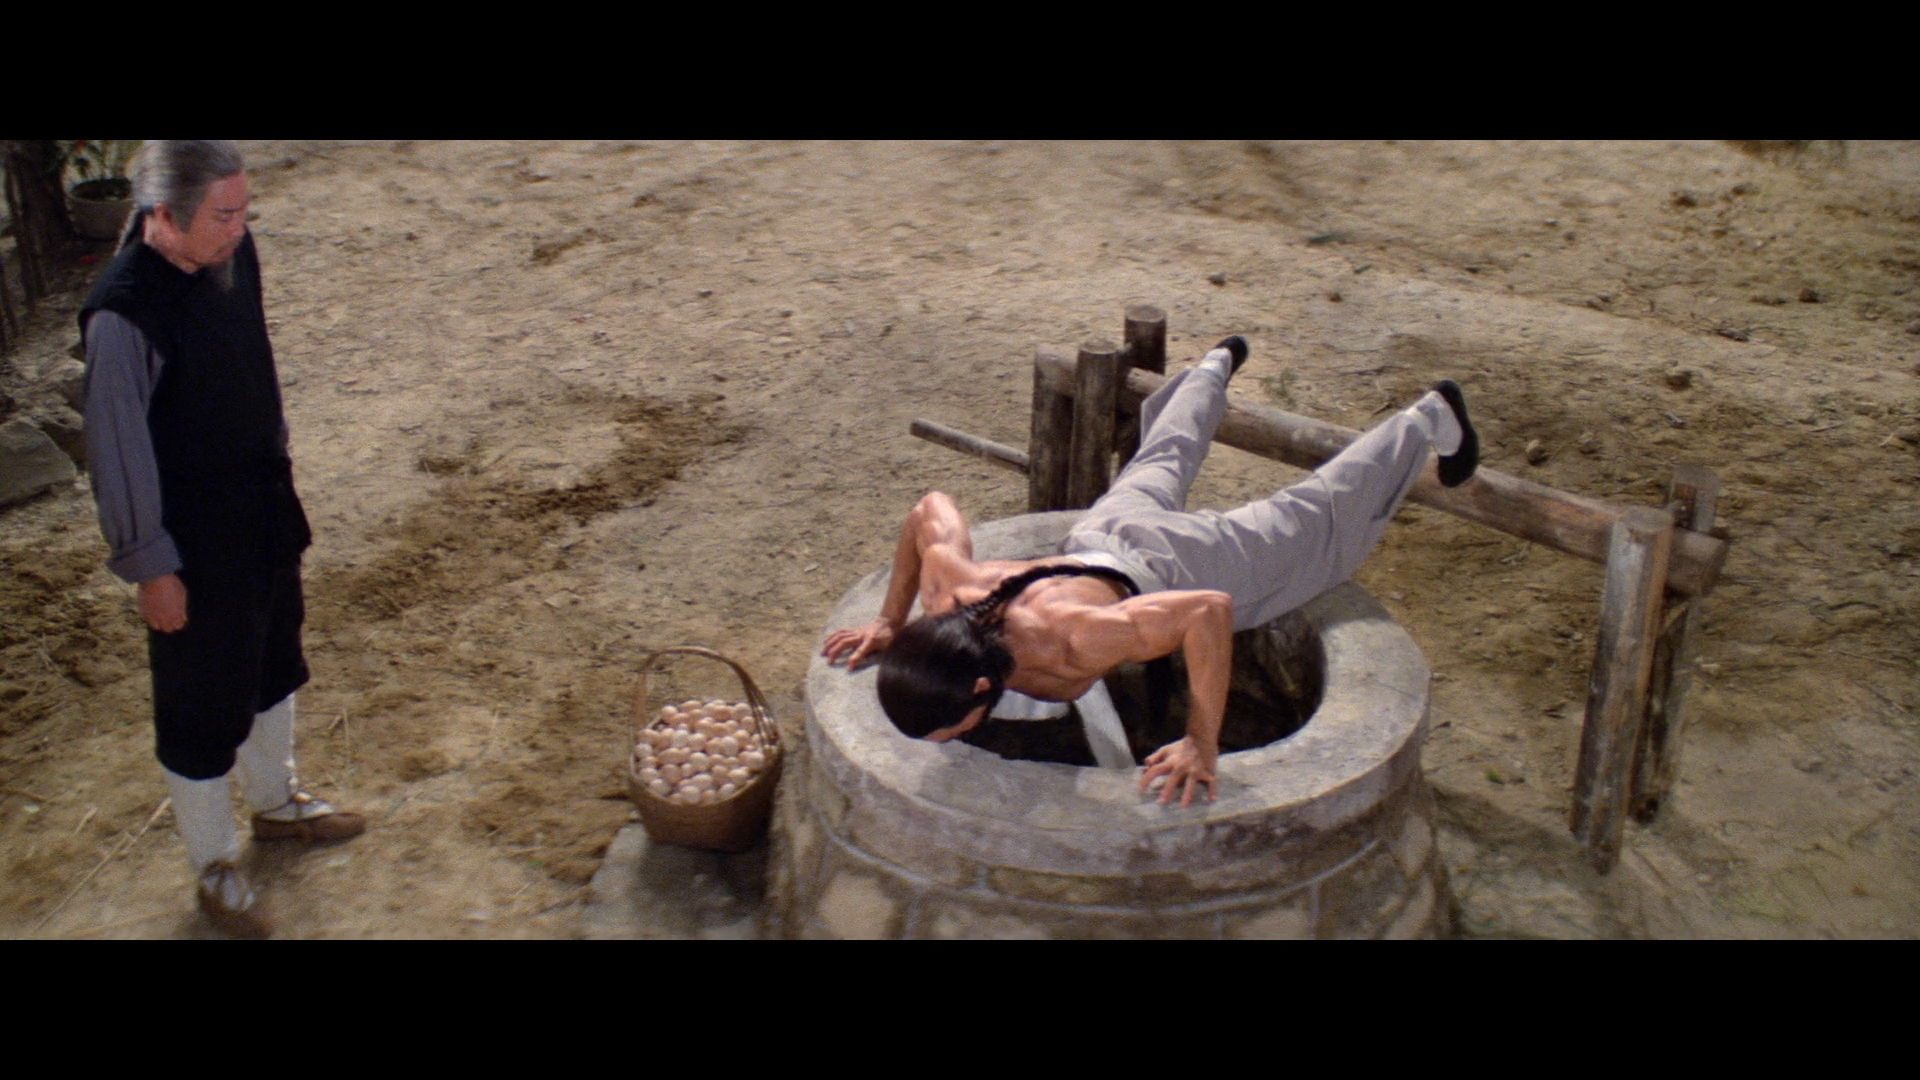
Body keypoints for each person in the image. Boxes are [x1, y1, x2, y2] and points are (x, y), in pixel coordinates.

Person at [822, 336, 1478, 808]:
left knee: (1311, 524)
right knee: (1158, 463)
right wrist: (890, 621)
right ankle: (1212, 367)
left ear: (981, 685)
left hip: (1173, 562)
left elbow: (1207, 611)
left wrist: (1200, 740)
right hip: (1097, 539)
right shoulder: (950, 595)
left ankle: (1429, 417)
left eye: (953, 729)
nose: (948, 742)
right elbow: (928, 512)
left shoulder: (1079, 638)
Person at [80, 141, 362, 939]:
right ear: (161, 215)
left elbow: (252, 366)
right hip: (191, 545)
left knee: (273, 663)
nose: (240, 229)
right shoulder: (122, 315)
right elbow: (117, 453)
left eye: (244, 211)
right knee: (199, 703)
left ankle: (275, 803)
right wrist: (150, 566)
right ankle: (212, 866)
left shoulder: (231, 257)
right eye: (223, 215)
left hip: (260, 511)